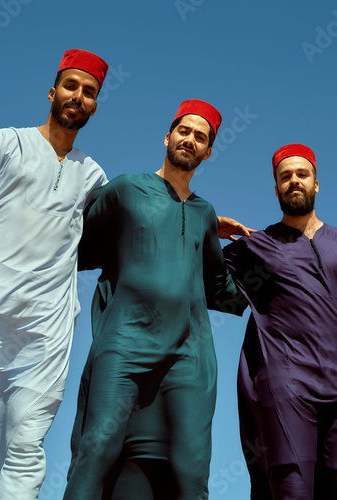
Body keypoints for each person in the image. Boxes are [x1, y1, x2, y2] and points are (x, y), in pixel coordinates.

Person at [63, 99, 246, 500]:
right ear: (168, 136)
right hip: (125, 342)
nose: (190, 140)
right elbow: (68, 242)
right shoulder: (127, 189)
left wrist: (269, 263)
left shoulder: (203, 213)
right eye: (184, 131)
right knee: (97, 450)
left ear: (208, 152)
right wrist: (5, 224)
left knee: (191, 471)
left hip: (189, 353)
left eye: (201, 137)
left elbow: (223, 288)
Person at [0, 49, 109, 500]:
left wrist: (201, 219)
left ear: (95, 105)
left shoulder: (94, 177)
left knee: (26, 445)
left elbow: (130, 229)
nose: (78, 97)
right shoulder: (2, 143)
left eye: (90, 92)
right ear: (52, 91)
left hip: (46, 330)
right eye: (71, 86)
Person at [222, 143, 337, 499]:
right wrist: (208, 227)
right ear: (276, 189)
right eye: (285, 177)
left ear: (316, 183)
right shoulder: (258, 247)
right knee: (292, 486)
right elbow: (196, 271)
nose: (294, 182)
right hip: (288, 385)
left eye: (301, 175)